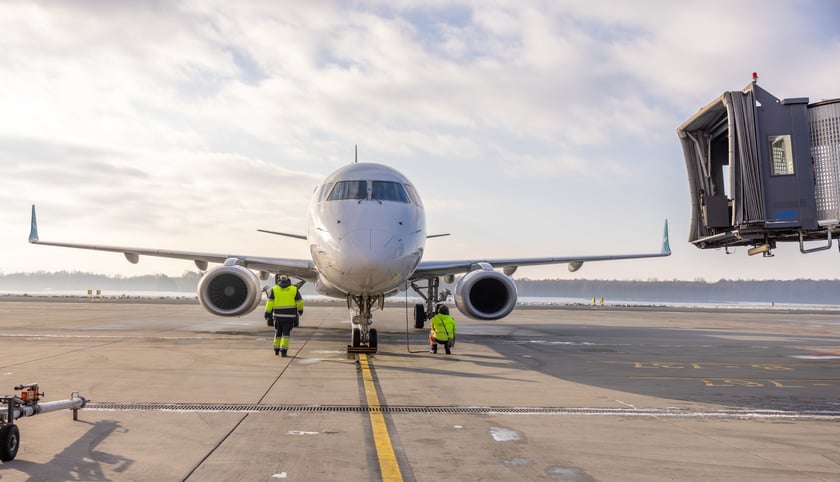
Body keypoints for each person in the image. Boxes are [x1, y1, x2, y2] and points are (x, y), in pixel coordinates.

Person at [264, 274, 304, 357]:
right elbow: (299, 301)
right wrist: (300, 310)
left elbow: (270, 302)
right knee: (286, 334)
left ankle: (276, 349)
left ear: (279, 280)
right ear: (288, 280)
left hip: (278, 317)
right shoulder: (294, 289)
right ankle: (284, 350)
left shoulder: (275, 289)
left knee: (278, 333)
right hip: (289, 317)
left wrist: (267, 313)